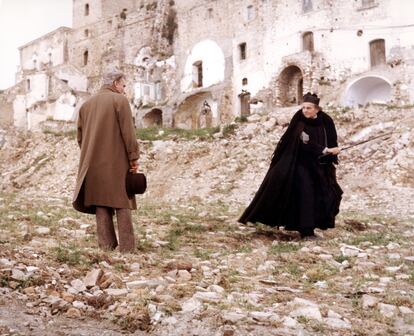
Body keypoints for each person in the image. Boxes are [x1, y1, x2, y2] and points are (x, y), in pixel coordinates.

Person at [239, 92, 343, 239]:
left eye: (308, 108)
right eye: (303, 107)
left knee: (329, 193)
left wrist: (334, 151)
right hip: (299, 163)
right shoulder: (299, 120)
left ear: (317, 109)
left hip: (320, 165)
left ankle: (315, 224)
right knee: (306, 194)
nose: (305, 111)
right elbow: (304, 143)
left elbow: (332, 140)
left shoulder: (326, 121)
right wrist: (324, 150)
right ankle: (306, 231)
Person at [73, 71, 139, 252]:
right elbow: (129, 133)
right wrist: (133, 157)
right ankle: (127, 249)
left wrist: (92, 155)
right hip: (117, 162)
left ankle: (106, 247)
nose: (125, 90)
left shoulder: (86, 105)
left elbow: (80, 138)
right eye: (124, 86)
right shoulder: (120, 101)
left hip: (92, 163)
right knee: (122, 201)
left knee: (101, 201)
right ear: (116, 83)